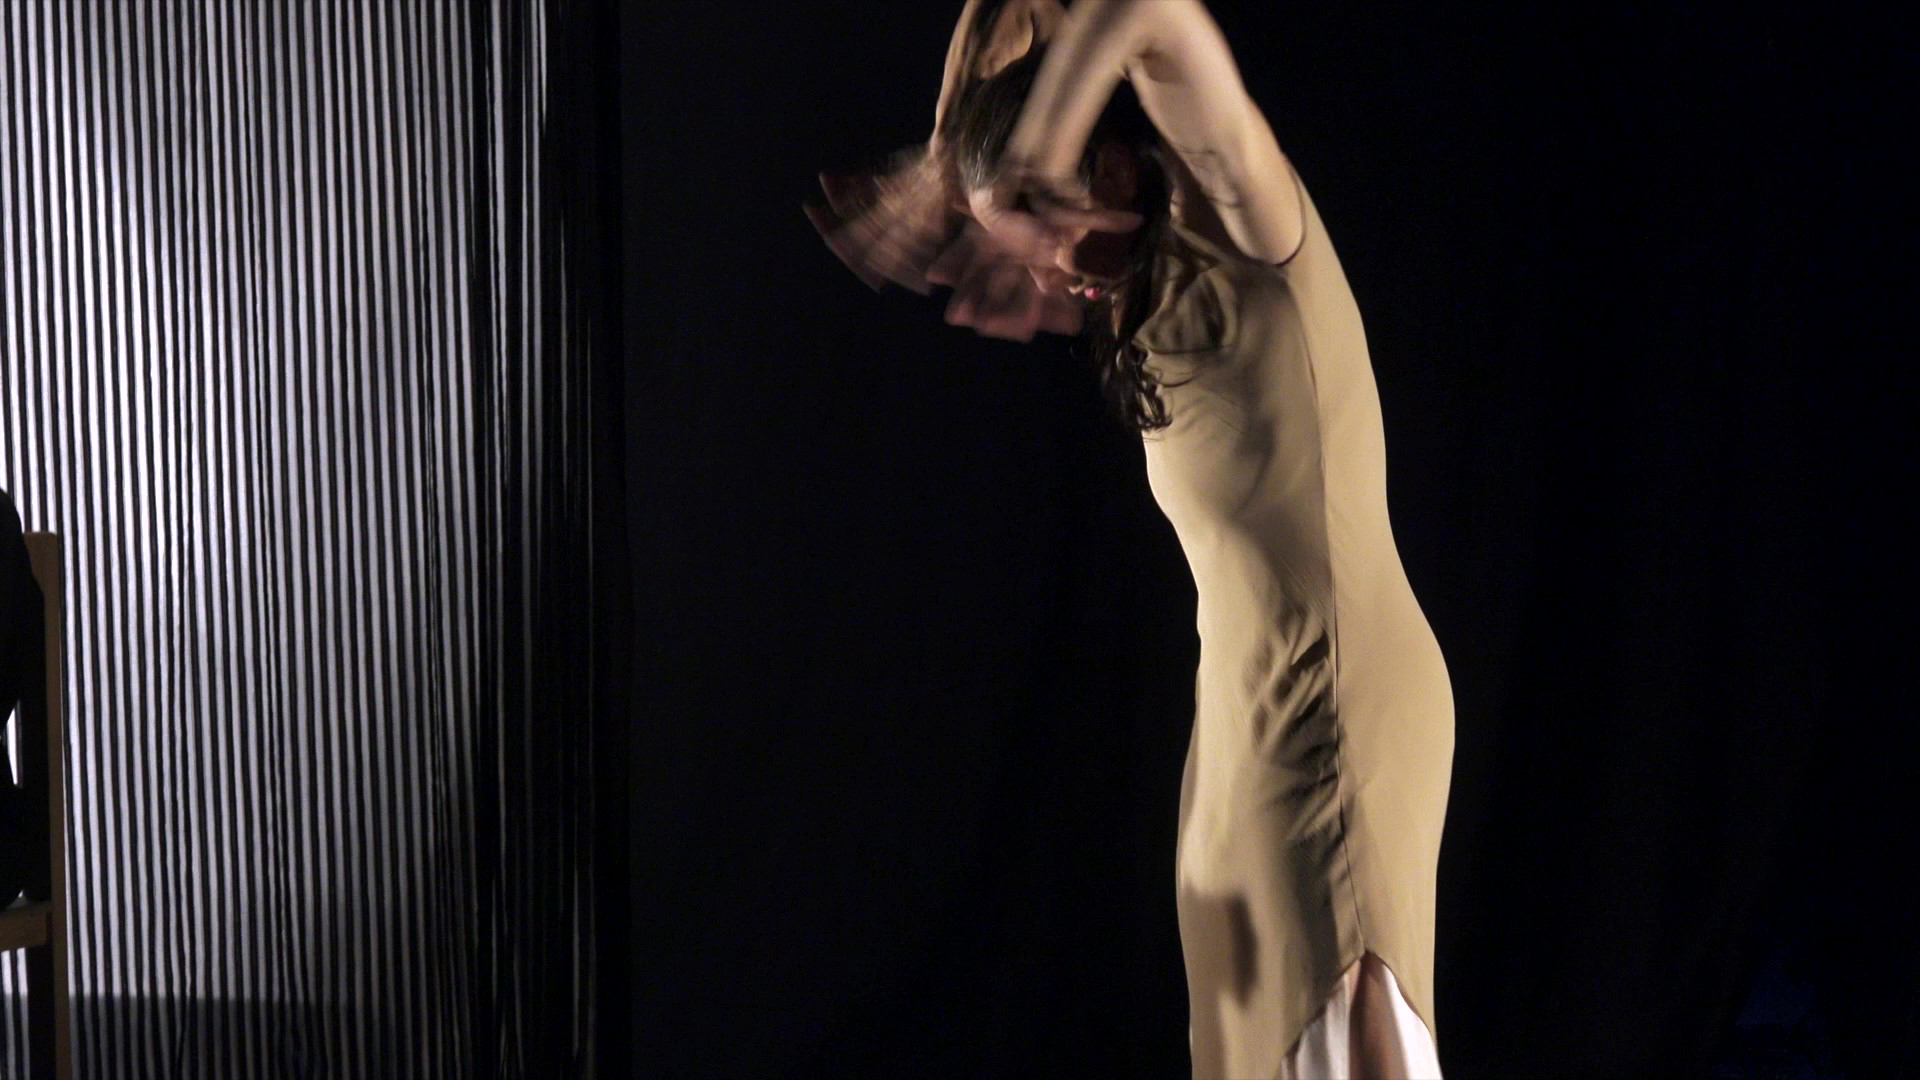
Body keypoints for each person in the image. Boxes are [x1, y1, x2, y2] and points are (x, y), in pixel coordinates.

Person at [805, 3, 1454, 1076]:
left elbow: (1148, 11)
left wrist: (1031, 158)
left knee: (1343, 1029)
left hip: (1333, 702)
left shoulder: (1246, 221)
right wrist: (947, 155)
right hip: (1242, 719)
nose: (1045, 275)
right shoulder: (1133, 289)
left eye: (1042, 231)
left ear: (1109, 165)